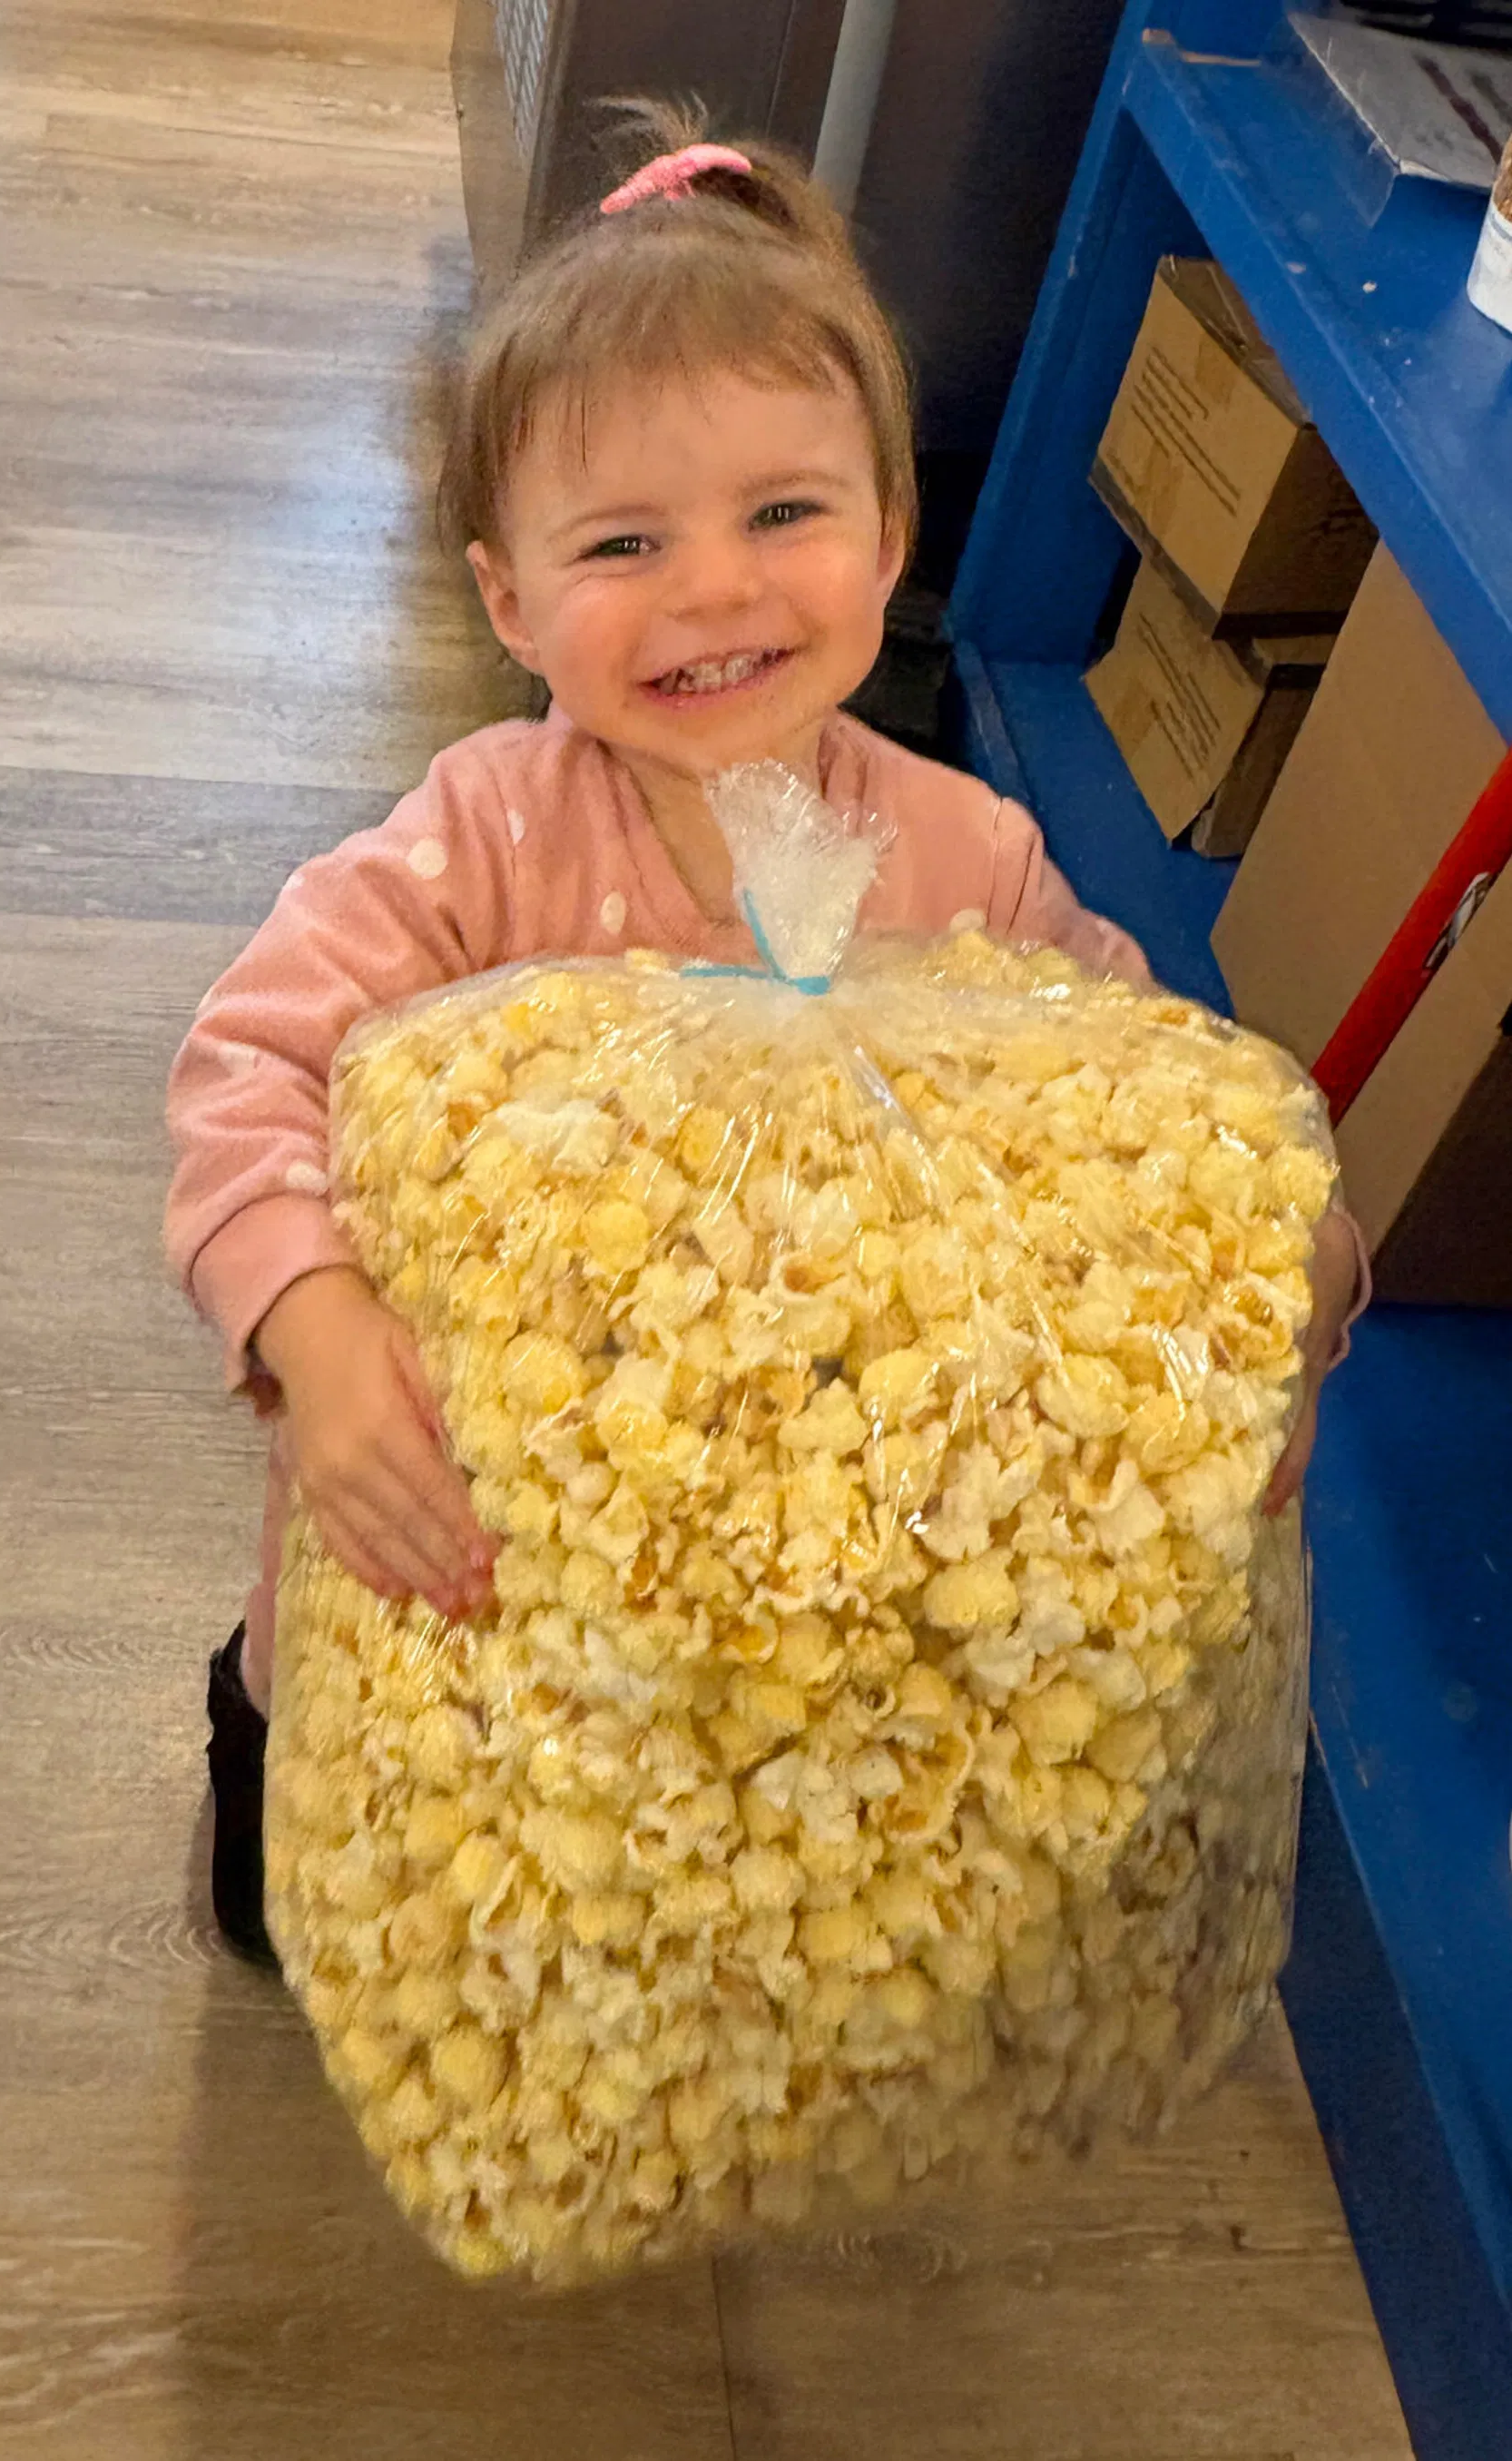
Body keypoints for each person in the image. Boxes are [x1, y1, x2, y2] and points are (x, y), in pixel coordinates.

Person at [166, 107, 1364, 1964]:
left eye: (784, 513)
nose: (717, 589)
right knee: (322, 1875)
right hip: (450, 1549)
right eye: (625, 539)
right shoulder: (479, 842)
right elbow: (250, 1065)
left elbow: (1155, 1104)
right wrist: (312, 1328)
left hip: (789, 1597)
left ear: (892, 529)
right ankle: (274, 1835)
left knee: (682, 1897)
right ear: (510, 598)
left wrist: (1281, 1261)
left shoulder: (965, 857)